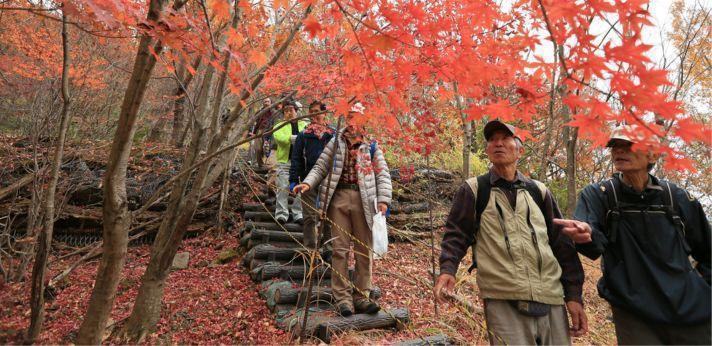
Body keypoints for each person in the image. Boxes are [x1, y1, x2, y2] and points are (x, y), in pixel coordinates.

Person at [434, 120, 588, 345]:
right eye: (492, 140)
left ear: (519, 150)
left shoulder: (539, 192)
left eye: (505, 138)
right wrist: (448, 269)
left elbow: (561, 245)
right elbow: (456, 234)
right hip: (502, 297)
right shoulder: (475, 190)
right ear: (487, 150)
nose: (498, 143)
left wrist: (573, 295)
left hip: (551, 296)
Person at [554, 125, 711, 345]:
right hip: (634, 310)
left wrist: (706, 292)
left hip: (689, 308)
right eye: (615, 146)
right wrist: (586, 235)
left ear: (652, 154)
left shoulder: (678, 198)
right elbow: (591, 235)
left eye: (628, 145)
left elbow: (707, 251)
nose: (619, 151)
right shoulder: (601, 195)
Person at [293, 103, 392, 317]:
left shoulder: (371, 145)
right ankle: (342, 299)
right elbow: (320, 166)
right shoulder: (335, 142)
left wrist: (383, 200)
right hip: (338, 199)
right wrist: (308, 184)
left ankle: (361, 296)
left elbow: (382, 173)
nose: (352, 121)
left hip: (365, 200)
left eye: (356, 117)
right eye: (349, 117)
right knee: (339, 250)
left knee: (363, 249)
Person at [289, 100, 334, 250]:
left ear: (324, 113)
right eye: (311, 112)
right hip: (307, 179)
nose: (313, 116)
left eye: (317, 112)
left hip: (329, 181)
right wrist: (294, 179)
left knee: (329, 216)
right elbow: (296, 158)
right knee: (309, 216)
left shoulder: (333, 135)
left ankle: (329, 250)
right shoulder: (304, 135)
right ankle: (310, 249)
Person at [272, 101, 307, 224]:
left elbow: (308, 140)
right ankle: (281, 213)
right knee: (282, 187)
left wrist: (296, 140)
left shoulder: (305, 125)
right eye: (286, 111)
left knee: (301, 187)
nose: (288, 113)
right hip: (285, 161)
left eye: (291, 110)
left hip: (302, 161)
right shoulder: (279, 126)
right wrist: (295, 139)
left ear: (296, 111)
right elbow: (280, 140)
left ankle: (298, 213)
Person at [250, 97, 276, 168]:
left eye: (268, 101)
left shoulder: (274, 112)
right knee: (258, 148)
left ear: (271, 103)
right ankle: (260, 164)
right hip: (260, 131)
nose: (266, 103)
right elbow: (257, 123)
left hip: (270, 131)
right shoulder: (260, 112)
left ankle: (268, 164)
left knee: (267, 149)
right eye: (265, 102)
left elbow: (276, 122)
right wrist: (254, 132)